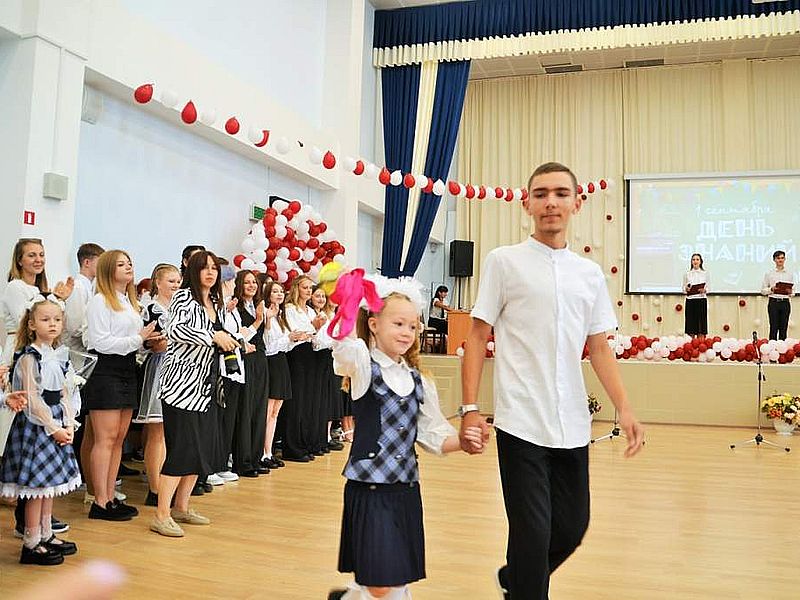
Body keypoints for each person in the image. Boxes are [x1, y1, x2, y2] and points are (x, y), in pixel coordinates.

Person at [460, 162, 645, 600]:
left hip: (572, 425)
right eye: (541, 193)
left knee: (571, 527)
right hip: (521, 421)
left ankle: (518, 580)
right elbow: (477, 335)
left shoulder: (589, 274)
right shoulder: (503, 262)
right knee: (531, 532)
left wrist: (625, 408)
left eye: (561, 193)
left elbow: (599, 347)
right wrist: (469, 409)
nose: (551, 202)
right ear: (527, 203)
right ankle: (525, 586)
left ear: (577, 203)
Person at [327, 276, 484, 600]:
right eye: (398, 323)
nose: (406, 333)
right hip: (369, 489)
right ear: (373, 324)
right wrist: (346, 306)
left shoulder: (419, 380)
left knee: (394, 577)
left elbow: (433, 435)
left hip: (405, 490)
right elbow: (342, 351)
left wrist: (464, 443)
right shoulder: (363, 365)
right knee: (381, 582)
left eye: (412, 327)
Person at [151, 251, 239, 538]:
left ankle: (181, 507)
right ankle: (161, 514)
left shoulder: (216, 302)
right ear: (194, 271)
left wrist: (229, 340)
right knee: (181, 450)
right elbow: (174, 329)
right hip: (181, 386)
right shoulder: (184, 297)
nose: (211, 273)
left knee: (199, 450)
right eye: (205, 268)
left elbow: (221, 333)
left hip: (208, 386)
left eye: (214, 268)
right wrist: (211, 336)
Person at [0, 296, 81, 565]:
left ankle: (46, 534)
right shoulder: (28, 356)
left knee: (50, 487)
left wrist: (69, 423)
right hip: (38, 427)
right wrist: (53, 427)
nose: (53, 324)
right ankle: (31, 542)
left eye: (57, 319)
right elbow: (32, 399)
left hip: (57, 422)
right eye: (45, 320)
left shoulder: (59, 354)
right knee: (37, 488)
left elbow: (67, 392)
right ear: (32, 324)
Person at [1, 238, 73, 538]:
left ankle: (41, 528)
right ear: (19, 260)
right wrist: (54, 297)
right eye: (31, 255)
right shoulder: (17, 288)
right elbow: (32, 313)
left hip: (48, 397)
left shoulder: (45, 302)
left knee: (47, 474)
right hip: (22, 372)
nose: (38, 259)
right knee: (26, 445)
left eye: (42, 254)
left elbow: (49, 315)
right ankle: (28, 526)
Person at [83, 250, 158, 521]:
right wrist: (137, 339)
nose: (128, 267)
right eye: (121, 264)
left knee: (118, 439)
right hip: (106, 370)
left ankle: (111, 496)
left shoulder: (128, 300)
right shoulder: (100, 301)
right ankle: (99, 501)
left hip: (127, 368)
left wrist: (146, 340)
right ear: (106, 270)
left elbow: (131, 339)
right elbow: (100, 342)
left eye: (130, 263)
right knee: (105, 438)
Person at [133, 264, 180, 506]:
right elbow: (144, 343)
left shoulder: (182, 310)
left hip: (181, 369)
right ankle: (154, 488)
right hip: (161, 367)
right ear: (158, 283)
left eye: (178, 281)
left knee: (173, 431)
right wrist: (154, 344)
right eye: (170, 281)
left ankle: (169, 484)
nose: (175, 285)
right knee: (157, 431)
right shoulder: (151, 309)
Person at [63, 243, 104, 513]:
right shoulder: (78, 288)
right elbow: (77, 327)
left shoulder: (89, 288)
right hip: (76, 357)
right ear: (88, 262)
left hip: (85, 358)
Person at [223, 270, 268, 478]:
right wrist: (258, 321)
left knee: (259, 409)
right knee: (246, 411)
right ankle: (243, 460)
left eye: (254, 282)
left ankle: (256, 457)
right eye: (247, 282)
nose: (251, 286)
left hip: (259, 359)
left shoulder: (258, 305)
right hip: (245, 359)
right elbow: (240, 334)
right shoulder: (235, 307)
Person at [282, 275, 326, 462]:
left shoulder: (308, 310)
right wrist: (313, 327)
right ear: (297, 288)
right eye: (305, 287)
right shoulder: (290, 309)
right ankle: (293, 447)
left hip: (311, 354)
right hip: (296, 355)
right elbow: (297, 333)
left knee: (308, 401)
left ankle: (306, 442)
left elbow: (314, 336)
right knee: (297, 402)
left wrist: (317, 332)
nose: (309, 290)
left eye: (310, 287)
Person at [261, 281, 291, 470]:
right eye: (275, 291)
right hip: (270, 363)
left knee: (275, 413)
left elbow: (285, 346)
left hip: (281, 363)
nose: (279, 294)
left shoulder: (281, 315)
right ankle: (262, 452)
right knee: (267, 411)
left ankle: (269, 451)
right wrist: (288, 338)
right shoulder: (266, 313)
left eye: (281, 291)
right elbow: (269, 345)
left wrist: (293, 339)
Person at [761, 250, 796, 341]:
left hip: (785, 302)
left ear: (785, 259)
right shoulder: (769, 273)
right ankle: (772, 351)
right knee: (773, 327)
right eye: (778, 258)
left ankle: (782, 352)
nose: (780, 260)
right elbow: (763, 291)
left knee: (783, 328)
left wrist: (790, 292)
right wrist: (771, 289)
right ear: (774, 260)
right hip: (773, 302)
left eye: (782, 258)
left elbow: (793, 292)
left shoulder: (789, 273)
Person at [683, 253, 708, 338]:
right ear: (691, 262)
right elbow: (683, 288)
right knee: (690, 324)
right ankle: (691, 344)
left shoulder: (705, 273)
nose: (695, 261)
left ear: (700, 262)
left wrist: (704, 290)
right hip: (690, 300)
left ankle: (701, 344)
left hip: (701, 300)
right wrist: (686, 289)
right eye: (693, 260)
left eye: (697, 259)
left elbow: (709, 288)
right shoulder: (687, 274)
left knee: (701, 325)